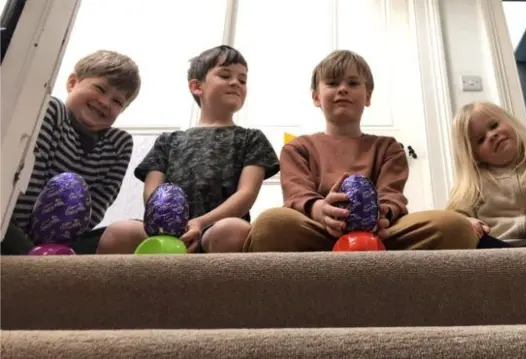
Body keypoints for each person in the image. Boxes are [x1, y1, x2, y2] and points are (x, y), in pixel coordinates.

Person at [243, 50, 478, 252]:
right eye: (333, 83)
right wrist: (321, 210)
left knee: (455, 226)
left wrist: (381, 215)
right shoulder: (298, 148)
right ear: (316, 97)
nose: (343, 89)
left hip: (381, 235)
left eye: (353, 83)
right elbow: (297, 196)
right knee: (270, 224)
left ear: (368, 96)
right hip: (318, 232)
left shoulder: (389, 148)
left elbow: (392, 196)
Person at [98, 45, 279, 254]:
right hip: (162, 229)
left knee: (233, 230)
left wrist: (200, 223)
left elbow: (246, 193)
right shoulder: (168, 141)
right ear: (196, 86)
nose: (235, 83)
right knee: (118, 232)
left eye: (243, 80)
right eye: (225, 75)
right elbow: (152, 190)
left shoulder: (252, 138)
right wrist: (169, 223)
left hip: (215, 229)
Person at [1, 50, 141, 255]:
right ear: (72, 83)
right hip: (12, 229)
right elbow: (25, 189)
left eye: (117, 102)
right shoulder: (51, 111)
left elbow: (93, 210)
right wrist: (30, 251)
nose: (105, 102)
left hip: (66, 241)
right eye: (100, 88)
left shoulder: (119, 144)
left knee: (133, 232)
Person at [446, 101, 526, 248]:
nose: (492, 135)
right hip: (503, 247)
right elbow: (454, 216)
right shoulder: (475, 184)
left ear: (511, 124)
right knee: (476, 241)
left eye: (494, 125)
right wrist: (469, 222)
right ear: (475, 156)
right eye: (481, 139)